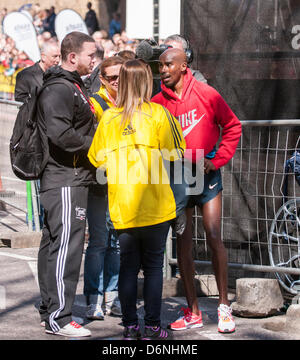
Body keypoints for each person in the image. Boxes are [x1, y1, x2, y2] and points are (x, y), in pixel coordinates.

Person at [88, 59, 186, 340]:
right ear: (146, 83)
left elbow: (96, 157)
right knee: (154, 268)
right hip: (156, 205)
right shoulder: (158, 114)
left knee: (129, 267)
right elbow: (175, 152)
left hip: (123, 207)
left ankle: (131, 327)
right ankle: (153, 326)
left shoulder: (109, 119)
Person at [152, 48, 242, 333]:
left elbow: (232, 126)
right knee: (183, 243)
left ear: (183, 66)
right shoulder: (156, 102)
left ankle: (224, 306)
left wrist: (216, 160)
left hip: (207, 176)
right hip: (177, 178)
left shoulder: (207, 93)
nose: (163, 70)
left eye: (168, 64)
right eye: (160, 65)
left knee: (214, 236)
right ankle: (192, 311)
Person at [36, 31, 97, 338]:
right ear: (72, 57)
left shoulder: (71, 86)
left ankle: (52, 312)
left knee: (55, 246)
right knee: (66, 248)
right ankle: (60, 316)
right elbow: (60, 135)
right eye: (91, 55)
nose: (94, 60)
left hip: (67, 179)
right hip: (65, 179)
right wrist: (95, 144)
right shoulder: (60, 88)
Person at [84, 55, 125, 320]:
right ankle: (93, 298)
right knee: (99, 240)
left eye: (122, 77)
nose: (118, 82)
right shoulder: (95, 103)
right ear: (102, 80)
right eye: (112, 78)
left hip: (124, 182)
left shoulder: (132, 102)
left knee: (118, 243)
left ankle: (114, 296)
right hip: (100, 180)